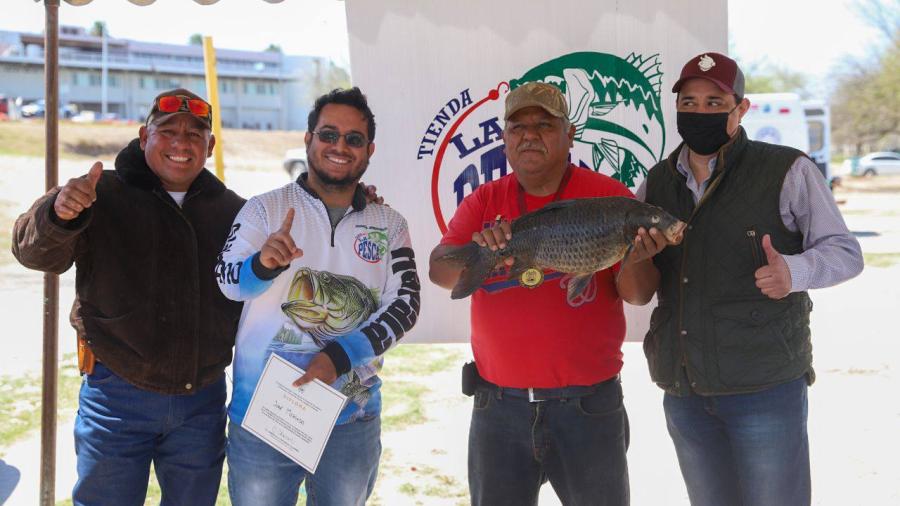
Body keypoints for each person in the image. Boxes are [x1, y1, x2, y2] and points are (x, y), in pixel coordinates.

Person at [620, 52, 864, 506]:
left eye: (715, 102)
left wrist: (794, 271)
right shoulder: (656, 183)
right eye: (689, 102)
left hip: (765, 389)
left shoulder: (788, 169)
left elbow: (846, 252)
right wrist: (636, 259)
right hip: (685, 391)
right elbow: (638, 293)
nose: (700, 112)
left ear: (741, 109)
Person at [429, 82, 659, 506]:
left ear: (569, 134)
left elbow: (638, 295)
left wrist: (640, 256)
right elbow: (440, 271)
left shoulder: (610, 197)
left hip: (588, 407)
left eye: (544, 125)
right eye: (518, 127)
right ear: (505, 138)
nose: (529, 135)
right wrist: (484, 253)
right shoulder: (485, 200)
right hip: (498, 408)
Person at [12, 88, 245, 505]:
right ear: (143, 137)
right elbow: (32, 252)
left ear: (210, 146)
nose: (181, 142)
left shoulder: (233, 211)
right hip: (115, 397)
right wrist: (59, 214)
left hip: (202, 403)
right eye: (167, 130)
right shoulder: (99, 194)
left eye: (195, 133)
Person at [216, 87, 420, 506]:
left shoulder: (389, 223)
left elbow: (406, 304)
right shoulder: (264, 209)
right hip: (264, 416)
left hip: (351, 416)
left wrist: (341, 355)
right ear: (308, 139)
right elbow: (227, 279)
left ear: (369, 151)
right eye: (328, 134)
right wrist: (262, 266)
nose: (339, 146)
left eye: (353, 139)